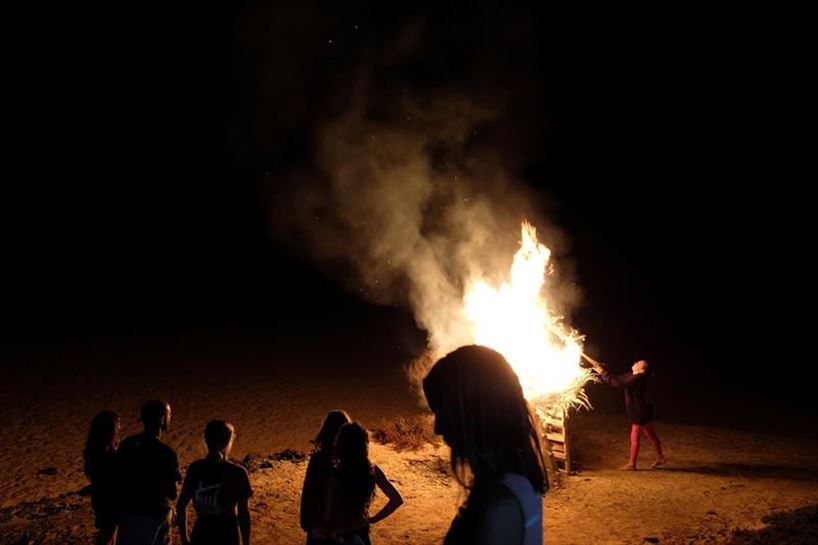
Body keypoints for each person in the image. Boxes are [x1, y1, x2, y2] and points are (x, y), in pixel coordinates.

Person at [423, 345, 546, 545]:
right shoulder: (512, 482)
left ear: (476, 415)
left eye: (444, 414)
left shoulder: (499, 508)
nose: (438, 428)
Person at [321, 422, 403, 544]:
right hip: (360, 530)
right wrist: (373, 519)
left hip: (340, 533)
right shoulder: (372, 470)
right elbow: (396, 499)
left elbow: (326, 510)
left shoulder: (335, 473)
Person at [177, 420, 252, 545]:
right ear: (227, 442)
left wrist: (184, 538)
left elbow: (181, 506)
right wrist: (246, 542)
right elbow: (243, 514)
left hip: (202, 531)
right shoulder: (237, 472)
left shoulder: (195, 468)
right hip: (227, 533)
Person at [117, 399, 181, 545]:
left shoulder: (127, 445)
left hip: (129, 515)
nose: (170, 417)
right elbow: (172, 493)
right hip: (155, 516)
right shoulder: (166, 453)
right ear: (162, 419)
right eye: (169, 414)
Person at [592, 359, 665, 470]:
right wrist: (603, 369)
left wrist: (602, 372)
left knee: (635, 436)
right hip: (642, 410)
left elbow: (616, 383)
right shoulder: (631, 375)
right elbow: (617, 379)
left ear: (641, 370)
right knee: (650, 435)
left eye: (638, 364)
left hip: (640, 412)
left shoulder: (637, 379)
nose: (635, 363)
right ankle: (660, 458)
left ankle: (632, 463)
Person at [301, 410, 351, 544]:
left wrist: (308, 525)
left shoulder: (318, 459)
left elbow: (308, 494)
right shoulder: (352, 460)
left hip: (320, 527)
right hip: (345, 527)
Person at [84, 410, 121, 545]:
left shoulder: (95, 447)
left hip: (102, 496)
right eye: (117, 424)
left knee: (110, 533)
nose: (120, 427)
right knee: (107, 535)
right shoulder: (104, 451)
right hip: (108, 497)